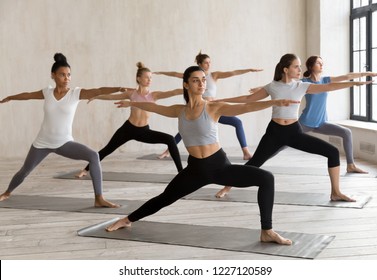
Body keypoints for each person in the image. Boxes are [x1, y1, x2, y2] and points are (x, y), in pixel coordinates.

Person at [105, 65, 299, 245]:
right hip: (195, 170)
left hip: (219, 166)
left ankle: (267, 230)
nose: (201, 83)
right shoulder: (179, 110)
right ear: (186, 84)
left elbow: (246, 107)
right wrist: (131, 102)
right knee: (165, 198)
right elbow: (154, 107)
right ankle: (126, 220)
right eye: (196, 80)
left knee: (266, 178)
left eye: (203, 80)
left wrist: (275, 102)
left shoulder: (213, 107)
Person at [214, 53, 372, 200]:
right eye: (296, 66)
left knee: (332, 152)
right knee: (254, 162)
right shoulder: (273, 86)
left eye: (300, 66)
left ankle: (336, 192)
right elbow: (248, 99)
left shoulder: (301, 86)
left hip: (293, 132)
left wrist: (356, 83)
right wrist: (219, 101)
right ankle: (228, 186)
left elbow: (328, 87)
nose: (300, 70)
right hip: (274, 132)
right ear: (285, 69)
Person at [0, 53, 121, 207]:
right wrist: (11, 97)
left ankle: (99, 198)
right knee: (25, 170)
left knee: (93, 156)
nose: (67, 78)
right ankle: (7, 192)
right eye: (62, 75)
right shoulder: (47, 92)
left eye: (69, 75)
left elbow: (97, 90)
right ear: (53, 75)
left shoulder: (75, 94)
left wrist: (118, 88)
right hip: (42, 142)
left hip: (64, 143)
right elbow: (28, 95)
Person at [75, 62, 183, 178]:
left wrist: (189, 89)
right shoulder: (131, 94)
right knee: (107, 149)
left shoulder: (154, 95)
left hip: (144, 131)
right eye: (147, 77)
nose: (149, 80)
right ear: (138, 78)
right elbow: (112, 97)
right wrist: (97, 97)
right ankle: (85, 170)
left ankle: (181, 174)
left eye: (151, 77)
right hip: (128, 129)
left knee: (170, 139)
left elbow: (173, 92)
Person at [154, 51, 262, 160]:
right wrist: (161, 72)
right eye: (206, 63)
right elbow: (175, 73)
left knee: (237, 122)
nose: (209, 65)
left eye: (210, 62)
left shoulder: (214, 75)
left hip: (212, 109)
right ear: (200, 64)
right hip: (197, 108)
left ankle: (246, 152)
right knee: (186, 129)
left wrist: (248, 70)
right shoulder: (192, 76)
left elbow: (232, 73)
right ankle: (168, 151)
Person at [299, 55, 377, 173]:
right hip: (305, 122)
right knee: (283, 141)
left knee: (346, 132)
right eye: (319, 63)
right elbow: (288, 86)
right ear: (311, 66)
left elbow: (348, 76)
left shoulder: (325, 80)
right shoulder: (304, 82)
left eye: (322, 62)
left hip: (321, 122)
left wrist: (368, 73)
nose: (322, 65)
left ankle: (351, 165)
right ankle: (263, 159)